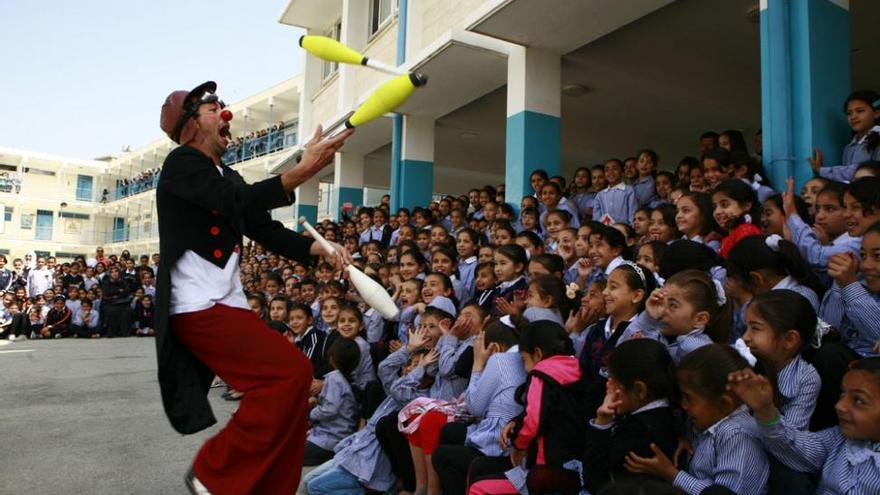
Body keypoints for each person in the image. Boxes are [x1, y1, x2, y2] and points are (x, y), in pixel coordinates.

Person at [155, 81, 352, 494]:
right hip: (196, 305)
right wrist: (303, 169)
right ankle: (212, 472)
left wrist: (321, 247)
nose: (224, 114)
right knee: (291, 374)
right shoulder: (182, 164)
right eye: (213, 109)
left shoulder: (226, 174)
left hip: (225, 304)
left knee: (292, 385)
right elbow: (238, 202)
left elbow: (264, 228)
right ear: (191, 126)